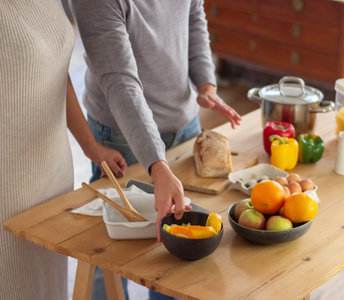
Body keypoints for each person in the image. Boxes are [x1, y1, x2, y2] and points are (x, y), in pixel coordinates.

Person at [70, 0, 241, 299]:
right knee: (111, 256)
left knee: (176, 255)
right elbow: (120, 81)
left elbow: (192, 14)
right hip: (122, 138)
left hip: (185, 125)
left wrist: (205, 82)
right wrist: (157, 164)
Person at [0, 1, 127, 299]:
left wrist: (90, 146)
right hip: (7, 178)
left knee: (46, 284)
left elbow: (56, 72)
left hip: (50, 167)